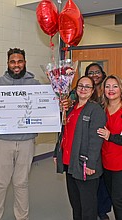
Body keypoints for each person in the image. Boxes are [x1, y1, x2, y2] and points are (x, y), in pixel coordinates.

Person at [0, 48, 40, 220]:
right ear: (8, 63)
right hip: (3, 141)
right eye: (13, 61)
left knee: (21, 183)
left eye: (19, 61)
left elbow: (44, 109)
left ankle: (22, 217)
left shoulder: (35, 85)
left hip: (27, 141)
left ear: (25, 62)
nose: (16, 65)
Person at [54, 76, 106, 220]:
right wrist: (56, 153)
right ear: (76, 89)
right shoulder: (70, 108)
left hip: (85, 166)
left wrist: (90, 163)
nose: (83, 89)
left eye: (87, 87)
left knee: (88, 208)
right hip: (70, 164)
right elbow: (63, 132)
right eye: (80, 86)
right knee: (76, 205)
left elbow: (96, 141)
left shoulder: (95, 110)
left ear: (92, 90)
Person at [85, 63, 112, 220]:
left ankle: (102, 210)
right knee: (92, 180)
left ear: (103, 73)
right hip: (90, 143)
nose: (94, 75)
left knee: (104, 181)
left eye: (97, 72)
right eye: (90, 72)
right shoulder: (84, 91)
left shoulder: (110, 92)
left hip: (108, 142)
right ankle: (92, 210)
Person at [97, 75, 122, 220]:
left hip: (120, 163)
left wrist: (110, 136)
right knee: (113, 198)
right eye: (107, 86)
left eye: (115, 86)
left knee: (118, 201)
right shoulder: (101, 109)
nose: (111, 90)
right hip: (106, 162)